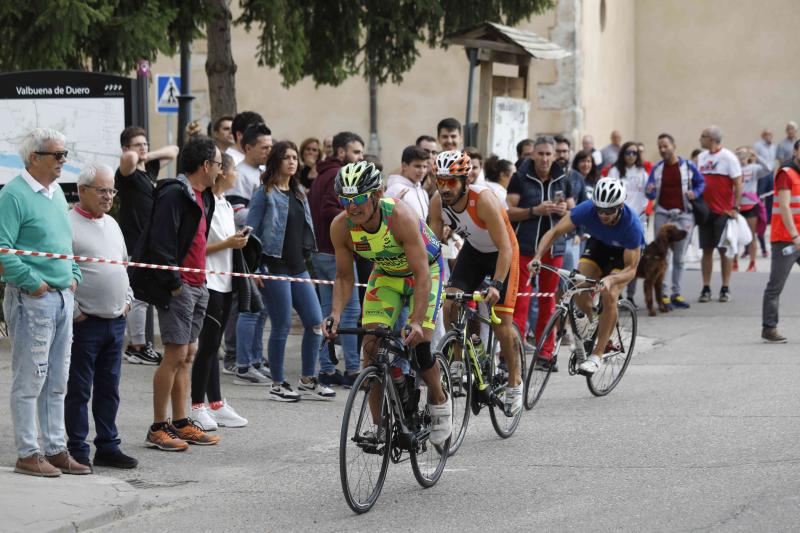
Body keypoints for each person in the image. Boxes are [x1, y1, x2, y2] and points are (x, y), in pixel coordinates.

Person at [323, 161, 452, 445]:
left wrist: (415, 321)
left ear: (377, 195)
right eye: (345, 200)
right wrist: (335, 314)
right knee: (371, 346)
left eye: (358, 199)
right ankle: (380, 427)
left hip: (425, 272)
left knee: (421, 344)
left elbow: (421, 275)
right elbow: (344, 277)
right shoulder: (341, 227)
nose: (351, 207)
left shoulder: (400, 217)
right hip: (387, 274)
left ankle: (440, 400)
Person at [0, 128, 88, 477]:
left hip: (61, 297)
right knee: (30, 379)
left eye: (65, 154)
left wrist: (74, 275)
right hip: (32, 299)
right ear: (34, 157)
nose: (64, 161)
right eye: (58, 155)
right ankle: (28, 452)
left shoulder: (54, 194)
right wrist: (33, 283)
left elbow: (64, 244)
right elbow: (3, 250)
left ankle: (55, 448)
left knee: (57, 379)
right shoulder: (13, 194)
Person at [130, 135, 221, 451]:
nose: (220, 170)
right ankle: (158, 427)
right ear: (206, 165)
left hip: (198, 284)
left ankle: (181, 422)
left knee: (188, 354)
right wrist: (173, 282)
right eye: (218, 164)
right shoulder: (174, 193)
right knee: (175, 354)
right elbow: (161, 240)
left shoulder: (205, 197)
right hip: (179, 285)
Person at [429, 151, 523, 414]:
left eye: (451, 181)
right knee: (450, 302)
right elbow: (432, 248)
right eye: (440, 181)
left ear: (465, 181)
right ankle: (458, 361)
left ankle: (515, 381)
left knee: (501, 325)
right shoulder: (437, 202)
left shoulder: (483, 200)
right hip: (473, 253)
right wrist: (428, 280)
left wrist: (497, 284)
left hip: (503, 254)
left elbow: (505, 247)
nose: (445, 188)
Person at [530, 178, 644, 375]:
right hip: (599, 246)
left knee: (609, 293)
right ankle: (595, 323)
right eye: (600, 209)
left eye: (609, 211)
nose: (603, 215)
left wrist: (610, 279)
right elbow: (555, 232)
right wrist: (537, 256)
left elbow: (631, 269)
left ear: (620, 206)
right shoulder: (586, 210)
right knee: (578, 284)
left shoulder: (632, 225)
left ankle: (598, 354)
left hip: (623, 257)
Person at [247, 141, 333, 401]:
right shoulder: (264, 193)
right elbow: (250, 233)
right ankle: (277, 384)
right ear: (276, 161)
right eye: (287, 157)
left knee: (315, 322)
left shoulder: (299, 192)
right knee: (282, 325)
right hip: (273, 266)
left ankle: (307, 379)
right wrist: (255, 269)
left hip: (298, 267)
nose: (292, 162)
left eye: (295, 157)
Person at [65, 164, 137, 470]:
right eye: (102, 190)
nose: (108, 196)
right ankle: (77, 449)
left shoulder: (112, 224)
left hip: (115, 321)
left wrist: (128, 300)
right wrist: (75, 312)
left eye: (111, 190)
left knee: (109, 389)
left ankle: (108, 446)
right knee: (79, 389)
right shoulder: (67, 224)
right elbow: (61, 271)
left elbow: (123, 265)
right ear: (82, 190)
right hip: (86, 323)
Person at [190, 153, 249, 430]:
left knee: (215, 346)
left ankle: (216, 403)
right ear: (222, 172)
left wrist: (237, 242)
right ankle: (196, 406)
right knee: (208, 346)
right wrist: (228, 243)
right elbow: (199, 247)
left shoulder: (225, 203)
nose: (237, 175)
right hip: (209, 281)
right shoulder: (206, 203)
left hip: (225, 282)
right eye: (234, 169)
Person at [506, 137, 573, 370]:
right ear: (533, 154)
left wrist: (564, 210)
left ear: (554, 156)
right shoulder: (520, 177)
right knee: (520, 300)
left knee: (548, 300)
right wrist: (535, 210)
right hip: (526, 246)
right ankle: (511, 354)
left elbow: (573, 210)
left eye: (548, 154)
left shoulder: (563, 178)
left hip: (554, 248)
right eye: (541, 154)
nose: (544, 158)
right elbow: (509, 212)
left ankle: (545, 354)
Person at [115, 126, 178, 366]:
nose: (143, 148)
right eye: (137, 144)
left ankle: (141, 345)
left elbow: (174, 150)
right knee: (138, 296)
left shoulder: (149, 168)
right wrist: (137, 154)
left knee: (147, 293)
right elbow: (129, 159)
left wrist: (146, 155)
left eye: (145, 143)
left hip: (151, 243)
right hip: (135, 242)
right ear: (125, 148)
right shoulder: (127, 174)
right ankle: (136, 346)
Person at [309, 131, 365, 387]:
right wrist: (355, 220)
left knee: (327, 311)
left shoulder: (322, 173)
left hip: (321, 251)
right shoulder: (339, 174)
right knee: (350, 312)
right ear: (341, 152)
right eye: (356, 152)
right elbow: (328, 209)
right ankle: (353, 370)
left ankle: (328, 369)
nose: (360, 157)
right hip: (334, 252)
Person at [645, 133, 705, 309]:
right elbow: (649, 193)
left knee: (679, 257)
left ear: (674, 146)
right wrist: (649, 190)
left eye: (666, 146)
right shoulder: (657, 169)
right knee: (662, 255)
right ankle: (662, 294)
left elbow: (701, 183)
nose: (663, 150)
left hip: (683, 214)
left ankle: (676, 293)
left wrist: (695, 193)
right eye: (660, 147)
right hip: (662, 214)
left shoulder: (687, 166)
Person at [696, 126, 743, 303]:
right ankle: (706, 287)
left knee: (724, 250)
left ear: (712, 139)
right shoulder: (701, 157)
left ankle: (725, 287)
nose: (700, 139)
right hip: (705, 212)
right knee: (706, 250)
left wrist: (735, 207)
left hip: (723, 212)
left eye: (703, 136)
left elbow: (738, 183)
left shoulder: (728, 157)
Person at [761, 140, 800, 343]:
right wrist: (795, 236)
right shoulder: (786, 173)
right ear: (795, 151)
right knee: (775, 285)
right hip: (786, 239)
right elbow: (784, 207)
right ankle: (769, 328)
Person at [227, 124, 273, 227]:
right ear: (248, 148)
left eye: (271, 147)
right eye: (265, 148)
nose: (270, 152)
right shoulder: (239, 175)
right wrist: (271, 213)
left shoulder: (262, 170)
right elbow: (236, 214)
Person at [734, 147, 769, 272]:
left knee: (751, 235)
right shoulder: (733, 169)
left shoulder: (753, 168)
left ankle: (752, 264)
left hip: (750, 205)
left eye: (744, 155)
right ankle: (734, 262)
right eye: (739, 155)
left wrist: (757, 156)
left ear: (748, 156)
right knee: (735, 236)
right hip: (736, 205)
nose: (742, 157)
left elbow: (768, 169)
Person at [385, 145, 430, 220]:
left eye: (425, 167)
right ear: (404, 166)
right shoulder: (395, 189)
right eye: (417, 166)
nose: (422, 171)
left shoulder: (423, 191)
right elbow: (385, 219)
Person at [754, 128, 777, 242]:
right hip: (762, 173)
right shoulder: (758, 145)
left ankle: (768, 219)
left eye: (770, 134)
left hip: (771, 174)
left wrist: (772, 168)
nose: (769, 136)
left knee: (770, 196)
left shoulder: (773, 146)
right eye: (767, 134)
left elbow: (773, 159)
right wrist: (766, 166)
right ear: (763, 135)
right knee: (760, 196)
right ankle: (759, 218)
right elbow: (756, 157)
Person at [415, 134, 440, 199]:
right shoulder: (406, 174)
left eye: (434, 153)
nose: (430, 156)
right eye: (425, 151)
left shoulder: (436, 175)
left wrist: (433, 177)